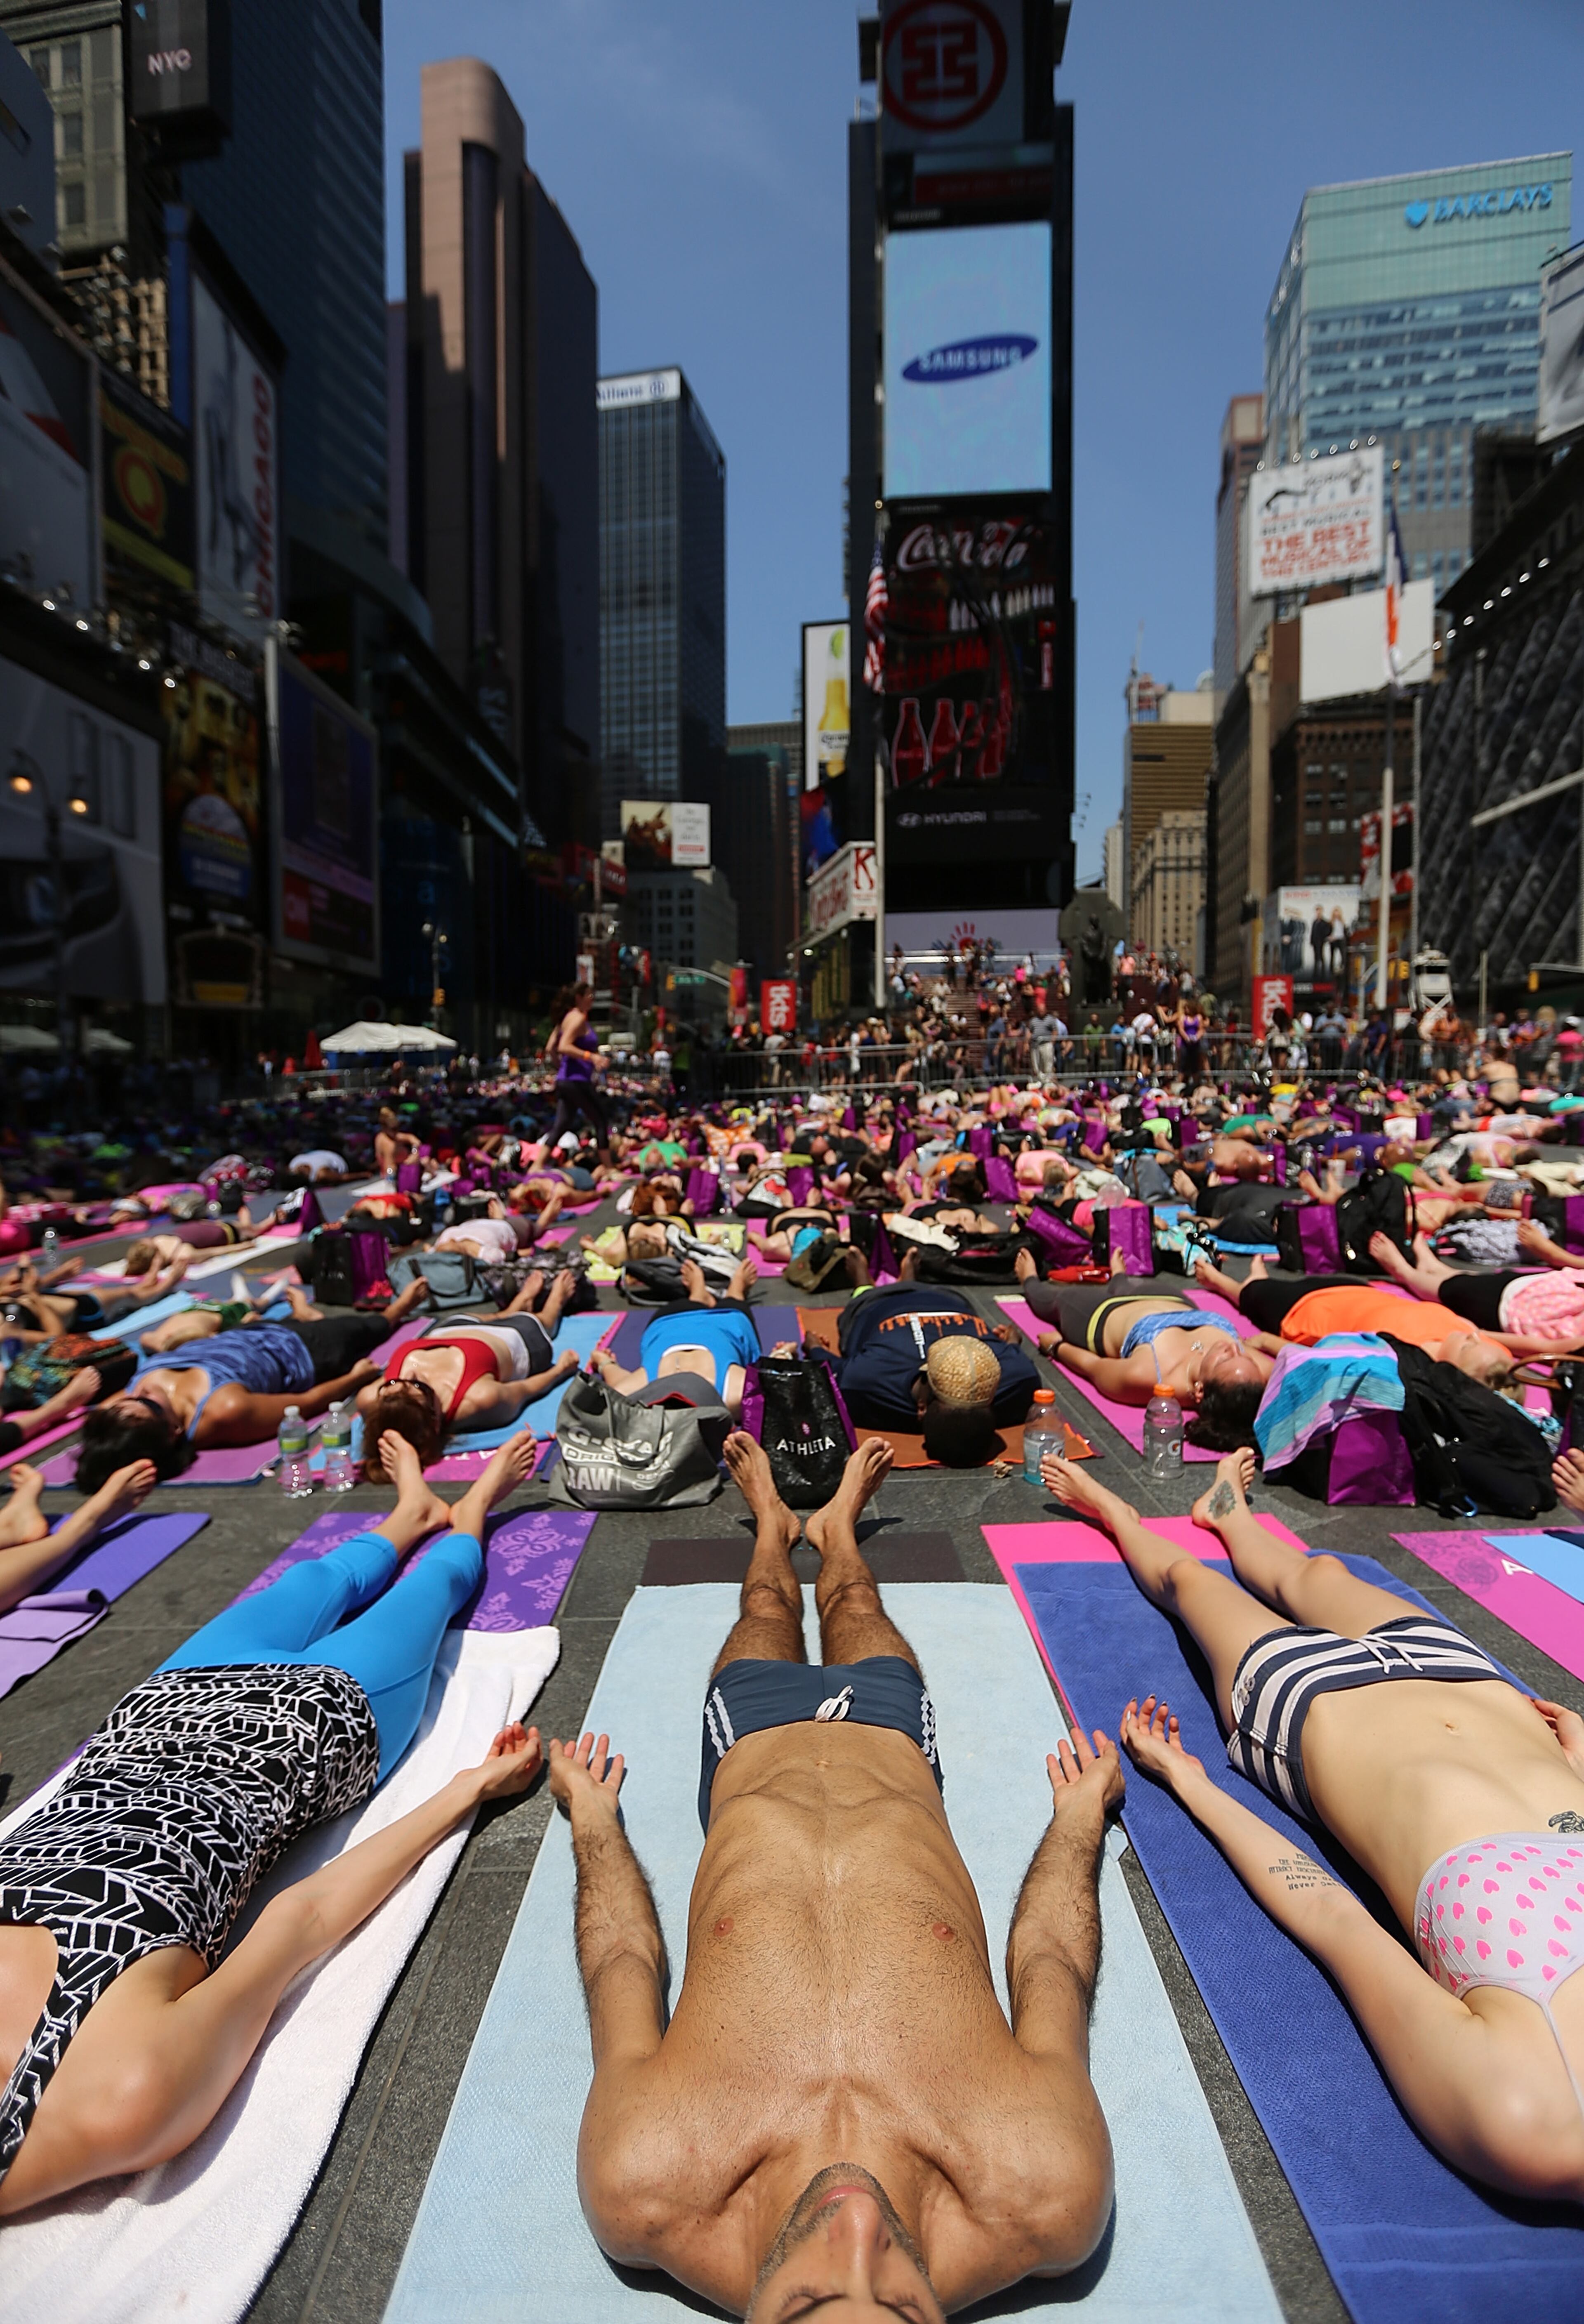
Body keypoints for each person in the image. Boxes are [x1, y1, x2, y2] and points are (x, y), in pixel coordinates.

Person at [551, 1434, 1118, 2316]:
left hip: (752, 1753)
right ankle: (842, 1530)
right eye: (902, 2302)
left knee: (767, 1600)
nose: (857, 2231)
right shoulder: (1042, 2186)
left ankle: (774, 1529)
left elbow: (621, 1959)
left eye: (807, 2297)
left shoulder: (650, 2178)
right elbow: (1052, 1961)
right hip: (892, 1754)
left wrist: (594, 1823)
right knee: (854, 1594)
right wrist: (1077, 1822)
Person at [0, 1433, 544, 2215]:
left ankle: (408, 1509)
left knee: (323, 1575)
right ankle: (472, 1508)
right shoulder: (116, 2096)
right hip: (308, 1728)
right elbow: (303, 1918)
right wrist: (468, 1790)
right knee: (442, 1583)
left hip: (162, 1705)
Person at [1043, 1446, 1584, 2206]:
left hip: (1308, 1706)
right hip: (1479, 1687)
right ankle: (1228, 1512)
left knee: (1191, 1582)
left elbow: (1335, 1918)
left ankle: (1113, 1510)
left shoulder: (1526, 2120)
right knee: (1320, 1577)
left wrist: (1194, 1785)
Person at [72, 1280, 429, 1491]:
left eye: (125, 1401)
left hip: (237, 1338)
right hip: (300, 1350)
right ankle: (398, 1309)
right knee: (368, 1327)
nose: (139, 1393)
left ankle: (298, 1313)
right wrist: (354, 1378)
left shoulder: (125, 1412)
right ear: (174, 1430)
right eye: (146, 1404)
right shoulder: (223, 1412)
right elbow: (305, 1403)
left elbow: (105, 1428)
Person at [1013, 1250, 1273, 1448]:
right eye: (1241, 1352)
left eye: (1224, 1359)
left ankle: (1029, 1279)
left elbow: (1094, 1367)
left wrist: (1057, 1347)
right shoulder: (1251, 1373)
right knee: (1127, 1285)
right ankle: (1119, 1278)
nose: (1232, 1348)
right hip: (1170, 1298)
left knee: (1051, 1299)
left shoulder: (1152, 1376)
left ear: (1200, 1390)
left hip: (1100, 1314)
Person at [356, 1279, 587, 1477]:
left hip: (451, 1329)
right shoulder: (477, 1399)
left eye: (393, 1383)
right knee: (543, 1321)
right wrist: (561, 1371)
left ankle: (514, 1307)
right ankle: (554, 1300)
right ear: (436, 1421)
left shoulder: (371, 1399)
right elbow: (525, 1390)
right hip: (513, 1339)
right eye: (419, 1386)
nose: (410, 1373)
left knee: (473, 1317)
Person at [826, 1251, 1038, 1460]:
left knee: (864, 1296)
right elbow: (1016, 1354)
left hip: (877, 1304)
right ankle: (909, 1279)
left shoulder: (865, 1381)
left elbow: (828, 1370)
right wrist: (1012, 1340)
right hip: (949, 1299)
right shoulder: (1019, 1380)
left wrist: (814, 1347)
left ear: (921, 1408)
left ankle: (864, 1282)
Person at [1190, 1252, 1518, 1383]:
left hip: (1306, 1312)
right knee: (1284, 1283)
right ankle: (1258, 1280)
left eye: (1469, 1346)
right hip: (1360, 1292)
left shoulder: (1404, 1359)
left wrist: (1265, 1341)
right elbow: (1508, 1351)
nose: (1474, 1335)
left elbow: (1324, 1359)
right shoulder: (1490, 1356)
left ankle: (1227, 1283)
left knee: (1255, 1296)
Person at [592, 1255, 761, 1420]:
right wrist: (604, 1363)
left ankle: (698, 1294)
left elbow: (618, 1388)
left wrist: (605, 1363)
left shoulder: (639, 1396)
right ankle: (734, 1289)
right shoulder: (736, 1395)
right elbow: (776, 1386)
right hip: (712, 1322)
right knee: (734, 1301)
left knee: (709, 1304)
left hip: (674, 1322)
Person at [544, 982, 611, 1161]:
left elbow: (551, 1048)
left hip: (568, 1079)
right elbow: (564, 1046)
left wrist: (561, 1068)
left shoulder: (565, 1020)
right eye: (590, 995)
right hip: (577, 1079)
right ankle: (609, 1168)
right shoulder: (578, 1018)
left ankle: (538, 1163)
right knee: (601, 1119)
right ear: (579, 998)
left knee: (562, 1124)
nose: (593, 999)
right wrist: (593, 1057)